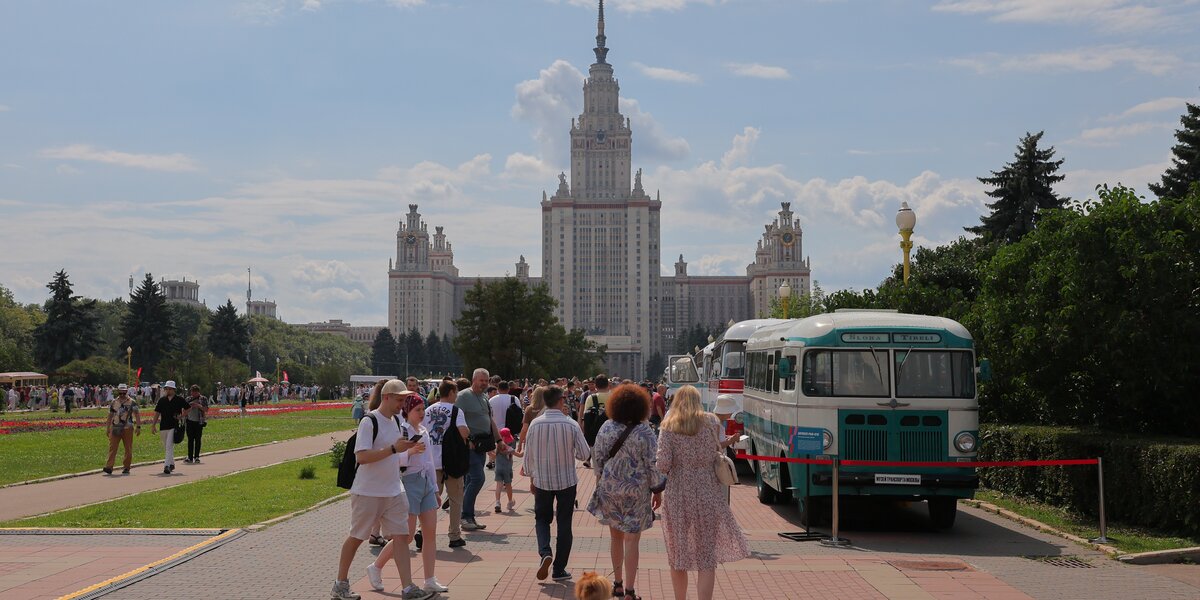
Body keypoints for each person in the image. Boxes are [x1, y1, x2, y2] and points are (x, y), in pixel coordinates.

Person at [331, 381, 433, 600]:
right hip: (368, 491)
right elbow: (363, 457)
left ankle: (408, 588)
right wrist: (394, 449)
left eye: (404, 400)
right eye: (399, 400)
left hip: (393, 490)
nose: (402, 404)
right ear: (386, 397)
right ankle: (340, 585)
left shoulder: (397, 420)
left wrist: (404, 451)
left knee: (402, 536)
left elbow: (394, 456)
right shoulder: (370, 421)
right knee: (357, 537)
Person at [656, 385, 750, 600]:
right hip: (708, 491)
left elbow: (662, 464)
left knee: (678, 554)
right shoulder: (712, 423)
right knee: (706, 555)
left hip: (679, 494)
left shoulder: (668, 426)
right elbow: (717, 450)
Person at [587, 384, 663, 600]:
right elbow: (652, 464)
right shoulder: (645, 431)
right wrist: (657, 490)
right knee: (632, 540)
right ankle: (630, 590)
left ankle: (617, 584)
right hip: (636, 491)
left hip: (610, 488)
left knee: (615, 537)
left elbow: (597, 457)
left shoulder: (606, 427)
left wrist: (601, 479)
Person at [368, 394, 449, 595]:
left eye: (423, 409)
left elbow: (429, 461)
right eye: (417, 410)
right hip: (408, 483)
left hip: (425, 484)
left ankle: (430, 579)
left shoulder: (423, 430)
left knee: (430, 532)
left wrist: (436, 489)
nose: (422, 414)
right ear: (407, 410)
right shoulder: (402, 430)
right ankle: (376, 566)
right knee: (407, 536)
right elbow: (394, 459)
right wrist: (410, 453)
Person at [522, 385, 590, 582]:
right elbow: (584, 454)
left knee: (542, 519)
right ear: (560, 401)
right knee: (564, 522)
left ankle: (545, 552)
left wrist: (532, 476)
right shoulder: (571, 424)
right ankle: (559, 568)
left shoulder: (535, 424)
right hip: (566, 481)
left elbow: (528, 457)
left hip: (542, 480)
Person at [422, 381, 469, 548]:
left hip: (431, 462)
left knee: (430, 500)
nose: (456, 396)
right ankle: (454, 535)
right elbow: (463, 432)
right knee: (456, 499)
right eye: (455, 392)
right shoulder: (456, 411)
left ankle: (423, 531)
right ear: (450, 392)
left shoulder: (427, 411)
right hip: (451, 462)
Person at [454, 368, 499, 531]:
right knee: (478, 479)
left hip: (482, 445)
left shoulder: (484, 397)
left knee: (469, 482)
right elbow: (456, 420)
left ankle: (468, 516)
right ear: (474, 380)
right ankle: (465, 516)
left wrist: (499, 440)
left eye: (486, 381)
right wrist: (467, 440)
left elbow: (490, 420)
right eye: (482, 380)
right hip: (470, 446)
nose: (485, 383)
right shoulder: (463, 397)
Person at [103, 383, 141, 475]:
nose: (122, 395)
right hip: (115, 427)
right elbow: (110, 415)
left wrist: (138, 426)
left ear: (127, 392)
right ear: (118, 392)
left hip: (127, 427)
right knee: (112, 447)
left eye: (124, 393)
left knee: (128, 448)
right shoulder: (114, 402)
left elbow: (137, 414)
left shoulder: (132, 402)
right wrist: (107, 428)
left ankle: (126, 467)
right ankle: (109, 466)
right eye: (121, 393)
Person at [150, 381, 187, 475]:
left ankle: (166, 466)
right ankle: (172, 464)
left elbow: (188, 407)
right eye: (166, 389)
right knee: (166, 446)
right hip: (163, 426)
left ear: (174, 389)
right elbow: (157, 413)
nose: (168, 390)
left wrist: (182, 416)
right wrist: (153, 425)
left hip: (173, 425)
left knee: (169, 446)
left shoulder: (179, 399)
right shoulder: (162, 400)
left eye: (170, 389)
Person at [493, 427, 522, 513]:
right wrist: (525, 451)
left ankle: (497, 502)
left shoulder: (497, 446)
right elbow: (519, 455)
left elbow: (492, 455)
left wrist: (489, 452)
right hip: (507, 469)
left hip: (498, 469)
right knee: (508, 486)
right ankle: (510, 502)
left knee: (499, 486)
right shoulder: (509, 448)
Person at [183, 384, 209, 464]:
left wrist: (198, 405)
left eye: (194, 392)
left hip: (199, 422)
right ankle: (190, 457)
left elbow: (206, 409)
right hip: (189, 421)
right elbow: (184, 410)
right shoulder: (188, 399)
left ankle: (197, 456)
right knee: (190, 440)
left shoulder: (203, 399)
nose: (192, 394)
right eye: (192, 392)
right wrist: (190, 407)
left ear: (198, 392)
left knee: (198, 439)